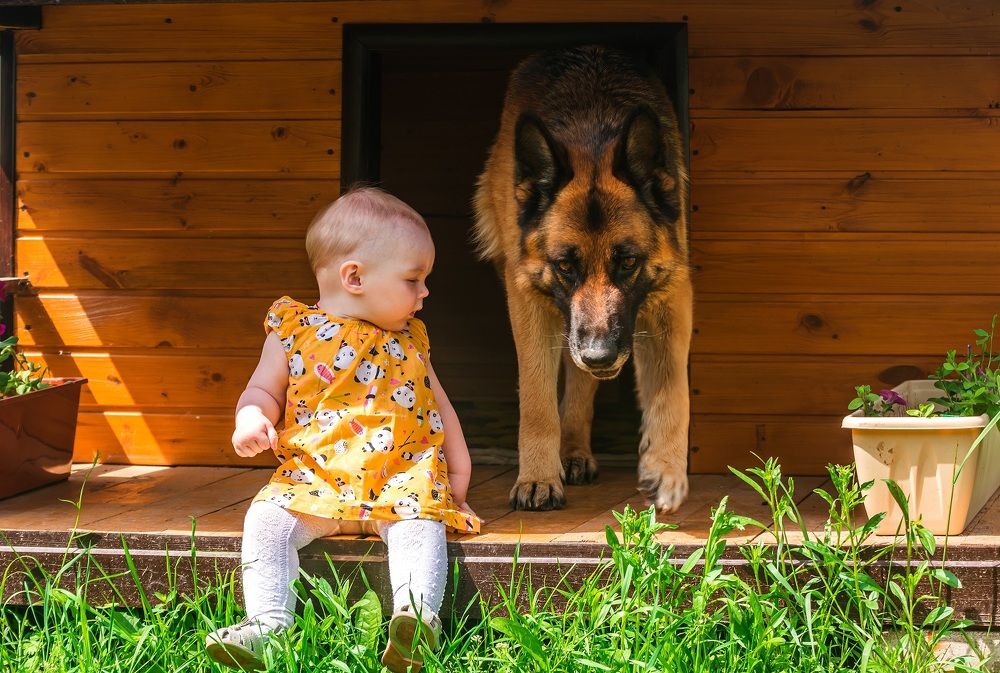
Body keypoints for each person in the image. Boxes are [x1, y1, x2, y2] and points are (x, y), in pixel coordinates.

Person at [205, 186, 481, 673]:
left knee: (421, 528)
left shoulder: (411, 339)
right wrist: (251, 418)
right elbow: (261, 392)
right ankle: (268, 626)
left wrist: (457, 476)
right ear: (354, 277)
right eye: (414, 279)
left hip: (401, 479)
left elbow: (441, 407)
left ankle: (415, 619)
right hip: (314, 480)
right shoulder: (293, 330)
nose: (425, 292)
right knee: (265, 523)